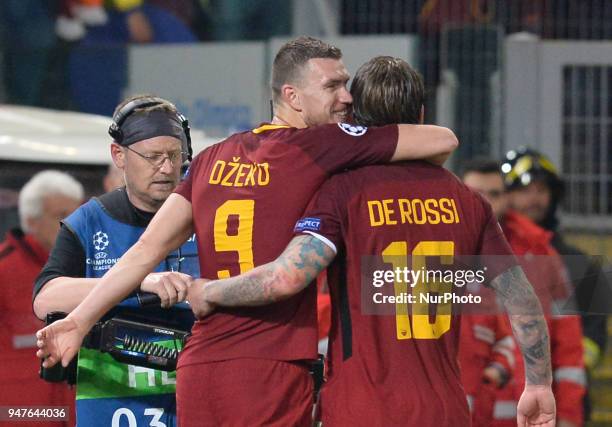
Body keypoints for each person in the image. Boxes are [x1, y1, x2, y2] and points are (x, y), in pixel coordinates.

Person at [35, 36, 458, 426]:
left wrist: (78, 321)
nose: (347, 98)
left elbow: (145, 250)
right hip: (269, 368)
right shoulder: (323, 145)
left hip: (200, 368)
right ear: (291, 96)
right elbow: (442, 140)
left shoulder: (212, 158)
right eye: (333, 86)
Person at [186, 56, 556, 426]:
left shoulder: (340, 193)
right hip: (445, 410)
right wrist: (539, 385)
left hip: (360, 408)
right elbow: (522, 298)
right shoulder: (468, 201)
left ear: (355, 121)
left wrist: (210, 291)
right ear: (422, 115)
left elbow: (286, 277)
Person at [32, 95, 200, 427]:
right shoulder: (90, 221)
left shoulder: (207, 215)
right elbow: (44, 298)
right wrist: (137, 281)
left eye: (174, 156)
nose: (167, 168)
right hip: (111, 402)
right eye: (153, 157)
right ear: (118, 156)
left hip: (196, 394)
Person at [462, 158, 585, 427]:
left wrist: (568, 416)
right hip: (463, 411)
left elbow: (569, 342)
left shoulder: (541, 253)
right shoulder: (438, 253)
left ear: (508, 198)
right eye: (474, 194)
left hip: (530, 412)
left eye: (494, 194)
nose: (484, 202)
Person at [502, 147, 610, 423]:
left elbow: (595, 333)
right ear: (508, 197)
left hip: (565, 397)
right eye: (524, 191)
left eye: (541, 191)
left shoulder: (578, 262)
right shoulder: (495, 257)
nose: (534, 199)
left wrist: (565, 367)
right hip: (503, 394)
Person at [0, 170, 82, 427]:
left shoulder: (89, 269)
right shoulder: (4, 269)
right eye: (60, 215)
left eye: (75, 214)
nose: (70, 223)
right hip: (18, 412)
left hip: (76, 407)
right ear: (31, 220)